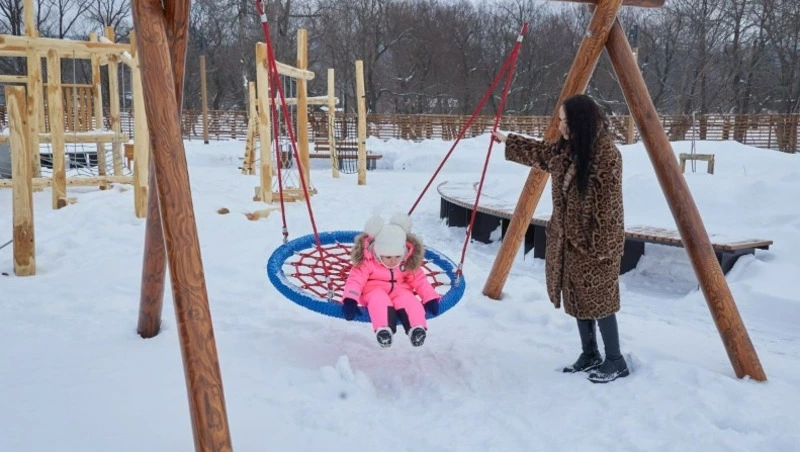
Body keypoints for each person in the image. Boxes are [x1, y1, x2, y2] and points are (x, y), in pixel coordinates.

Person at [492, 94, 629, 383]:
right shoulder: (568, 150)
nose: (561, 126)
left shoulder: (606, 154)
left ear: (581, 121)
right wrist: (508, 140)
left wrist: (598, 247)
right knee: (578, 297)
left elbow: (610, 209)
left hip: (596, 244)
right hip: (570, 241)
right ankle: (590, 353)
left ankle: (615, 360)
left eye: (566, 121)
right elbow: (542, 153)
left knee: (600, 300)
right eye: (560, 120)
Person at [340, 214, 441, 348]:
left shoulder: (405, 261)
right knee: (379, 300)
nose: (393, 260)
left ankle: (416, 329)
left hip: (400, 290)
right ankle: (384, 330)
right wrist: (350, 300)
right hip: (373, 290)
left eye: (397, 256)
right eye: (387, 257)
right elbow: (355, 280)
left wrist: (429, 298)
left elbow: (419, 279)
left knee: (409, 300)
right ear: (377, 251)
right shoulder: (368, 261)